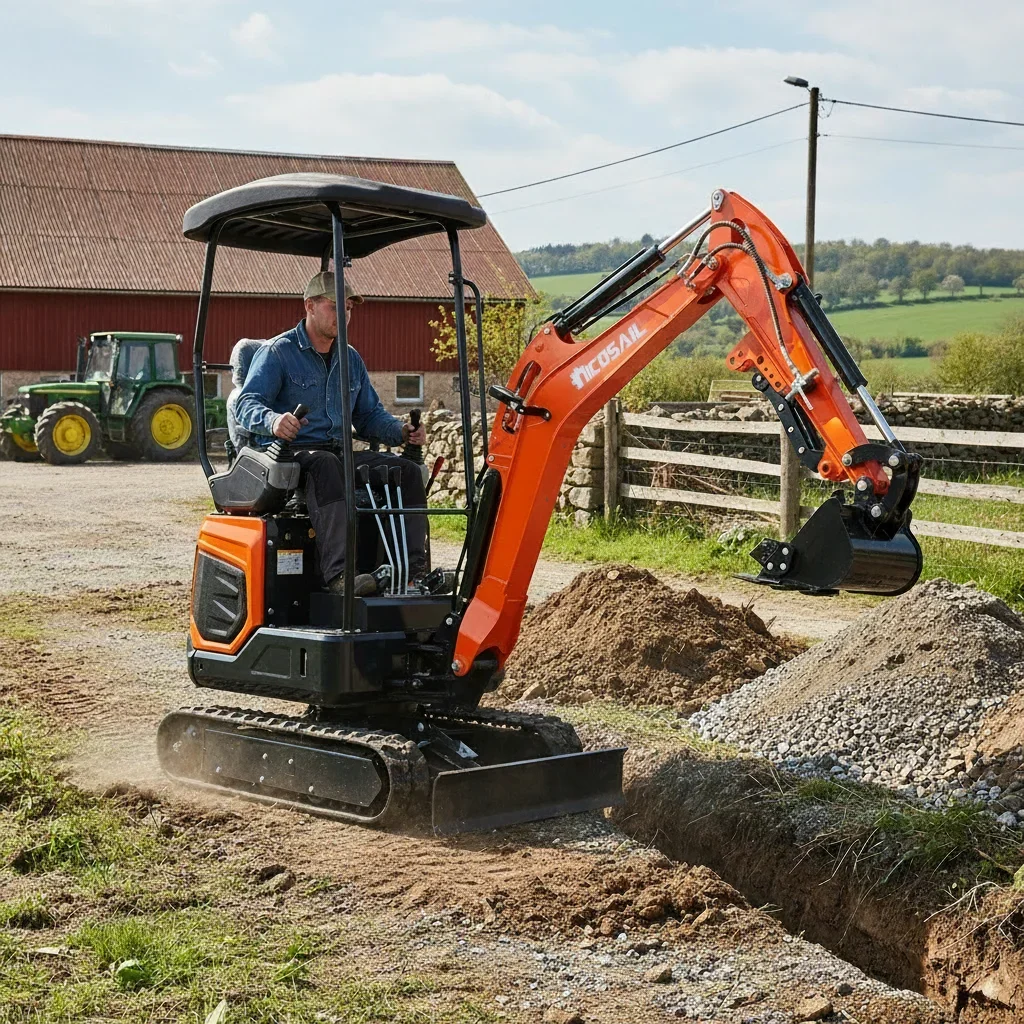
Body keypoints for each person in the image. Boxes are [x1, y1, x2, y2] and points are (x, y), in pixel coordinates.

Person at [234, 271, 428, 596]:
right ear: (309, 305)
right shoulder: (277, 353)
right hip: (291, 455)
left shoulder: (350, 359)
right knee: (326, 464)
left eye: (349, 307)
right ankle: (340, 578)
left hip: (339, 453)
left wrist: (403, 432)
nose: (345, 314)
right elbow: (246, 405)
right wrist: (273, 421)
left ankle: (411, 573)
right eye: (335, 306)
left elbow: (369, 417)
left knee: (406, 472)